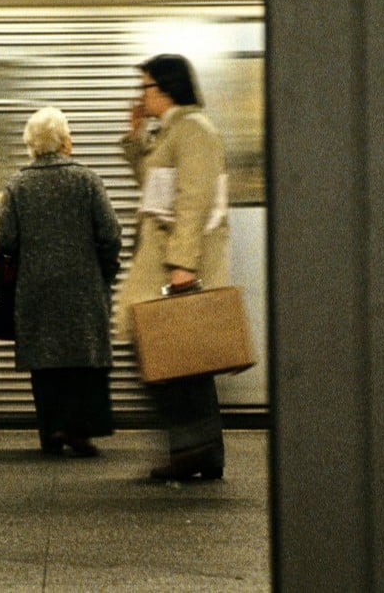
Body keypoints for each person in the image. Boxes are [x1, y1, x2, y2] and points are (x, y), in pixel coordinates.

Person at [115, 54, 230, 481]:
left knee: (172, 361)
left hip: (174, 265)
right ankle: (198, 450)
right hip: (160, 261)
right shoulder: (174, 131)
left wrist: (182, 264)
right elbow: (153, 185)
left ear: (164, 88)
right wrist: (135, 139)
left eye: (144, 87)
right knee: (179, 361)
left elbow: (194, 200)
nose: (140, 97)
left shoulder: (194, 130)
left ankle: (195, 450)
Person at [0, 107, 122, 457]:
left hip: (36, 288)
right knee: (83, 358)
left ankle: (51, 431)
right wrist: (105, 272)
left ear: (32, 145)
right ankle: (81, 432)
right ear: (64, 140)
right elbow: (110, 233)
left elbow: (3, 238)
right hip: (84, 286)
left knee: (46, 362)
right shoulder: (87, 180)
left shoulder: (18, 184)